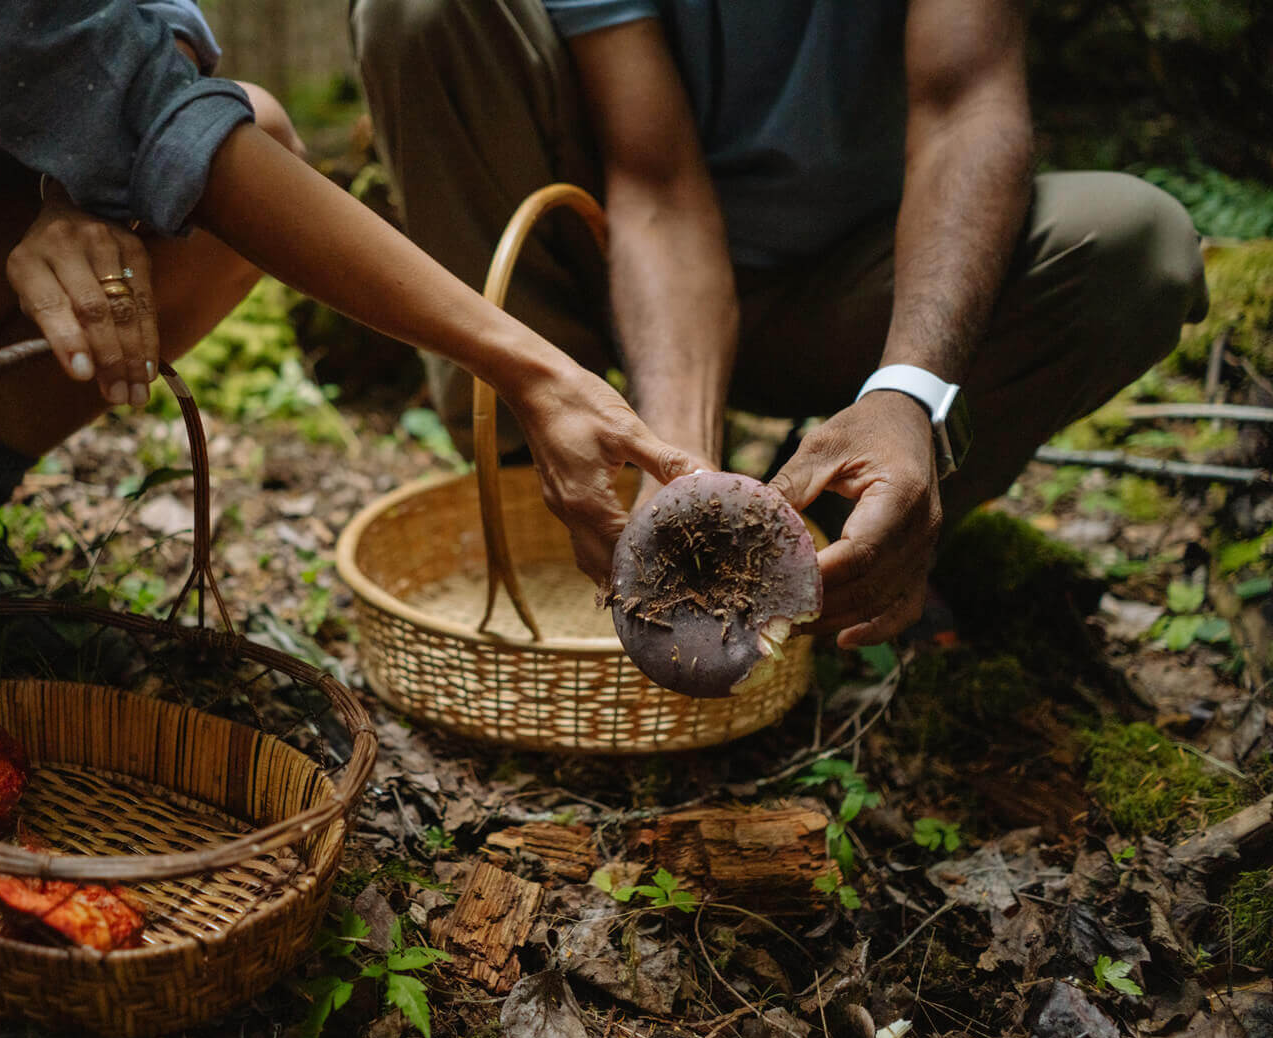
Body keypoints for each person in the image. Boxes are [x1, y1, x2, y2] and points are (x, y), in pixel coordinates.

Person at [0, 0, 699, 617]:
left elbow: (163, 40)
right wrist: (530, 369)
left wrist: (68, 190)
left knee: (245, 131)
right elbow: (150, 111)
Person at [351, 0, 1211, 648]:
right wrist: (677, 469)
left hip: (859, 289)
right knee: (418, 10)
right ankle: (552, 494)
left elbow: (967, 107)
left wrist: (907, 389)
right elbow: (655, 176)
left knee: (1136, 245)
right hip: (630, 276)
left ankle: (848, 569)